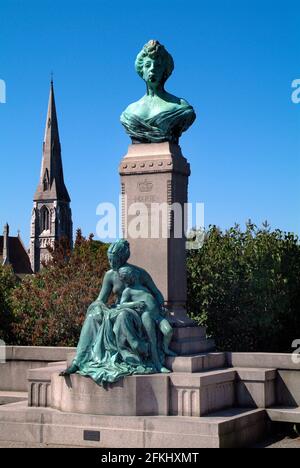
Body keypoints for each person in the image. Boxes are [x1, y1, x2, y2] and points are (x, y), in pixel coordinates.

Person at [59, 239, 170, 385]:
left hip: (135, 313)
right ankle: (78, 361)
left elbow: (156, 293)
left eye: (114, 259)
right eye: (109, 259)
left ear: (123, 257)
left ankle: (134, 351)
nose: (111, 263)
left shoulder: (139, 273)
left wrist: (161, 307)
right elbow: (101, 299)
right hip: (118, 308)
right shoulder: (109, 275)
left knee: (123, 316)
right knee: (92, 317)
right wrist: (97, 307)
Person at [120, 40, 196, 143]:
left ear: (165, 71)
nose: (152, 69)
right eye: (148, 65)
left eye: (158, 65)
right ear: (141, 70)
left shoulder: (180, 107)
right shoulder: (130, 111)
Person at [118, 266, 176, 373]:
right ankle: (158, 365)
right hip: (146, 316)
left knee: (168, 331)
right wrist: (135, 304)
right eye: (132, 274)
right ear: (129, 278)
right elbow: (121, 305)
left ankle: (165, 348)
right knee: (152, 340)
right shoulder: (128, 291)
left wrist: (161, 305)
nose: (135, 275)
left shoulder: (144, 287)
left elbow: (156, 295)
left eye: (134, 273)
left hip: (157, 315)